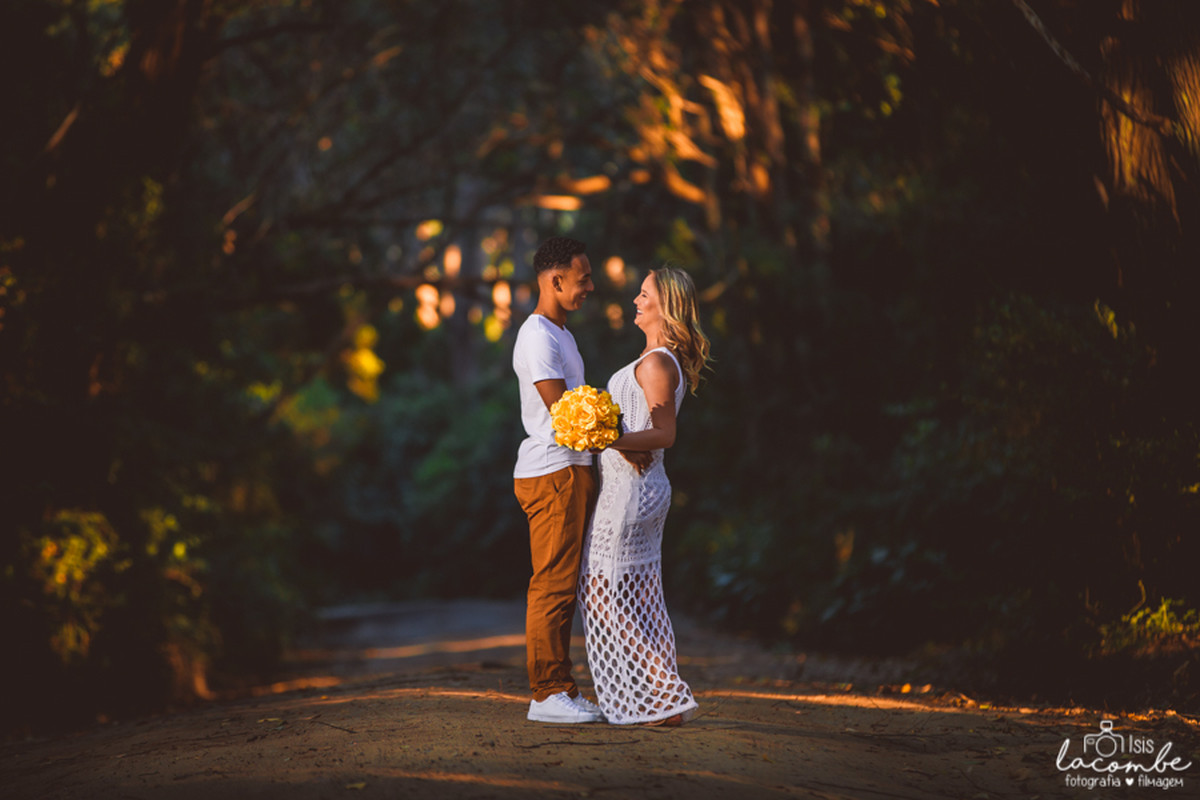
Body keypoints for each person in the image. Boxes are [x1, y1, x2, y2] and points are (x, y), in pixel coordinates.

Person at [579, 265, 712, 727]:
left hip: (634, 492)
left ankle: (665, 692)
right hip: (628, 488)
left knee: (601, 593)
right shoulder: (653, 356)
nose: (635, 299)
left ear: (666, 305)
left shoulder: (657, 362)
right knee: (628, 596)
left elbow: (663, 434)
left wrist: (605, 436)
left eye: (643, 293)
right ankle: (661, 695)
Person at [512, 236, 606, 724]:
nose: (590, 286)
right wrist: (616, 437)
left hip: (571, 469)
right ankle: (546, 694)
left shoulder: (561, 333)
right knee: (552, 584)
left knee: (565, 584)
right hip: (553, 469)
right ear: (555, 280)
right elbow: (564, 412)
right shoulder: (538, 337)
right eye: (583, 277)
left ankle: (561, 686)